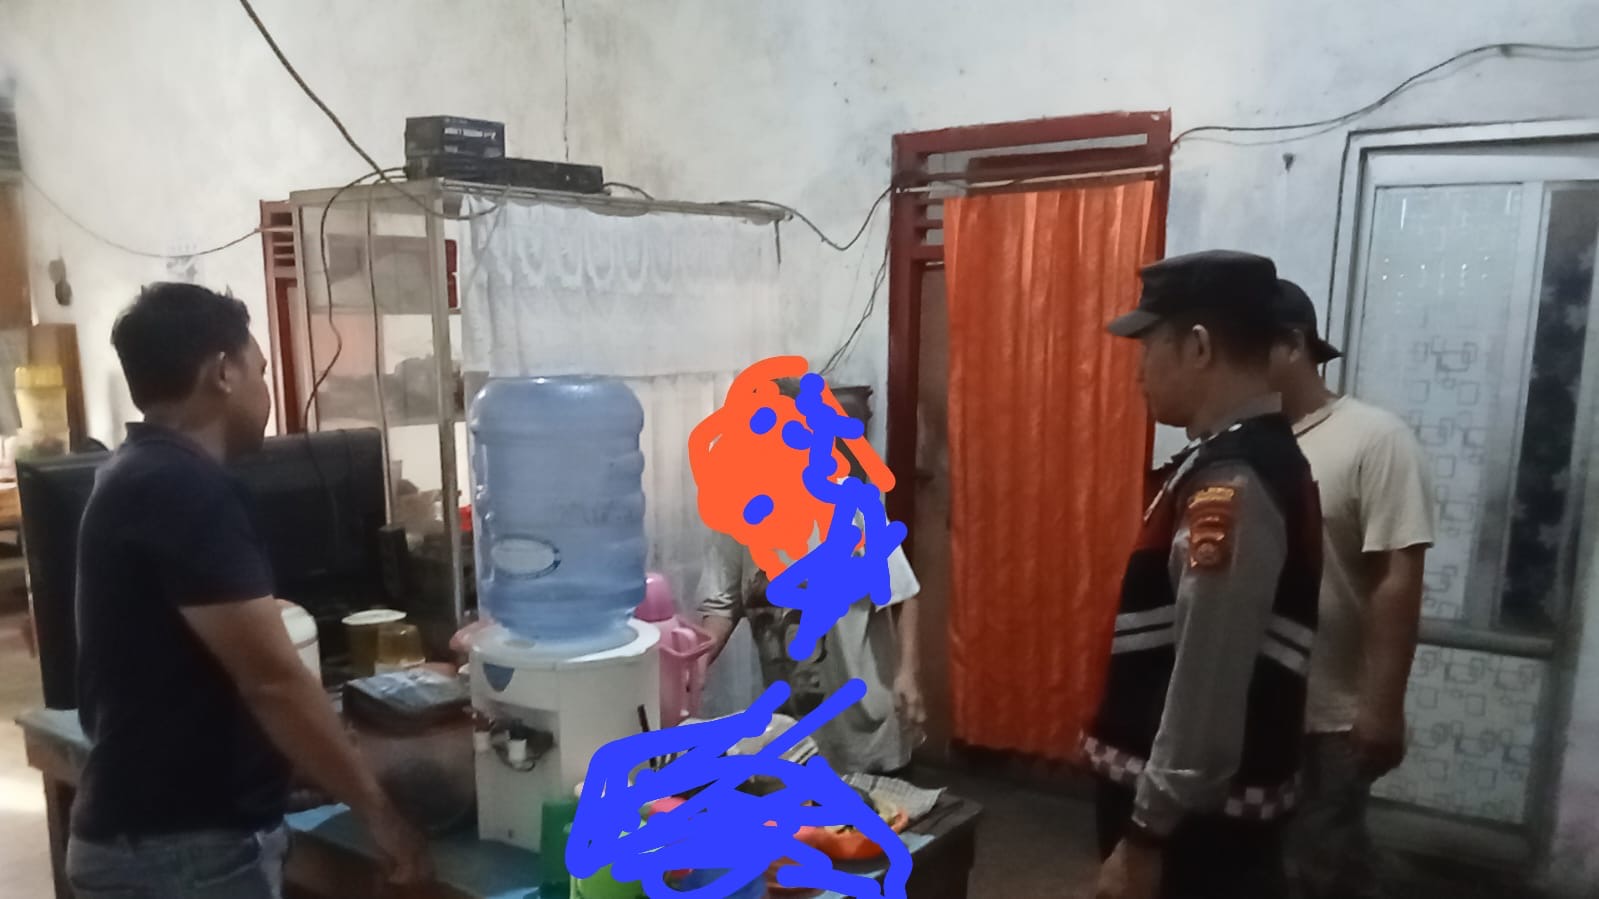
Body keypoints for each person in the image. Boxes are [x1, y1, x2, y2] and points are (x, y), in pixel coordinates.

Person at [67, 283, 429, 898]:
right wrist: (381, 815)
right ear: (223, 373)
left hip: (155, 832)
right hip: (180, 852)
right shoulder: (182, 487)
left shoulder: (139, 471)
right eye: (260, 370)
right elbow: (272, 682)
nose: (266, 390)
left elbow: (187, 670)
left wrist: (288, 764)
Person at [1088, 251, 1323, 899]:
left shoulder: (1235, 479)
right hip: (1196, 821)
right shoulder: (1229, 458)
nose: (1138, 370)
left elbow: (1206, 679)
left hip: (1197, 836)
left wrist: (1147, 832)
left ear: (1197, 346)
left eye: (1148, 346)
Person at [1269, 279, 1434, 899]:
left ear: (1293, 345)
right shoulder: (1244, 442)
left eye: (1248, 347)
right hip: (1256, 707)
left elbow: (1398, 576)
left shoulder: (1374, 438)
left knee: (1320, 863)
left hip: (1332, 714)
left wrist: (1382, 706)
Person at [698, 379, 924, 774]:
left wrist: (908, 674)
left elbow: (903, 596)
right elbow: (721, 607)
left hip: (866, 728)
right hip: (793, 729)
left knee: (878, 810)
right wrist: (692, 665)